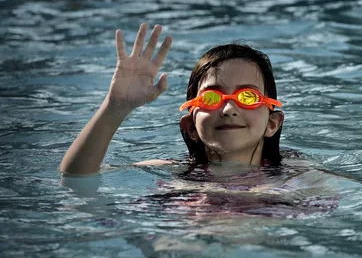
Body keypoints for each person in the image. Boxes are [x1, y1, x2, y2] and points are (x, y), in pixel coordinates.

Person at [59, 23, 285, 175]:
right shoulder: (170, 174)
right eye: (211, 98)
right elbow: (78, 176)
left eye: (248, 96)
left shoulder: (300, 178)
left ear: (272, 123)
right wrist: (114, 108)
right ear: (190, 127)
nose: (228, 108)